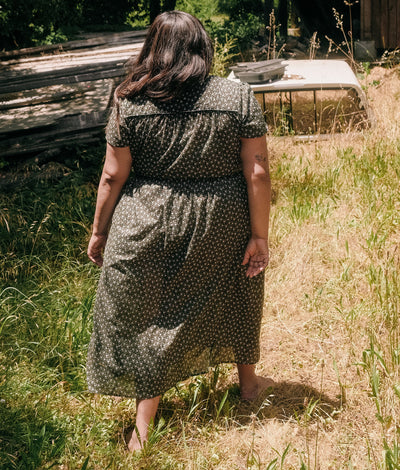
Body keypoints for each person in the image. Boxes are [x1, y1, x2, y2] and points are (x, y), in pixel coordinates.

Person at [86, 10, 273, 452]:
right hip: (222, 218)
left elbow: (112, 176)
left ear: (153, 48)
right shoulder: (237, 96)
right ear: (202, 47)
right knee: (237, 290)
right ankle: (249, 388)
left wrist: (99, 231)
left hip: (148, 219)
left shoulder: (129, 101)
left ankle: (143, 430)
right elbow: (258, 171)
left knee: (152, 315)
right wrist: (259, 235)